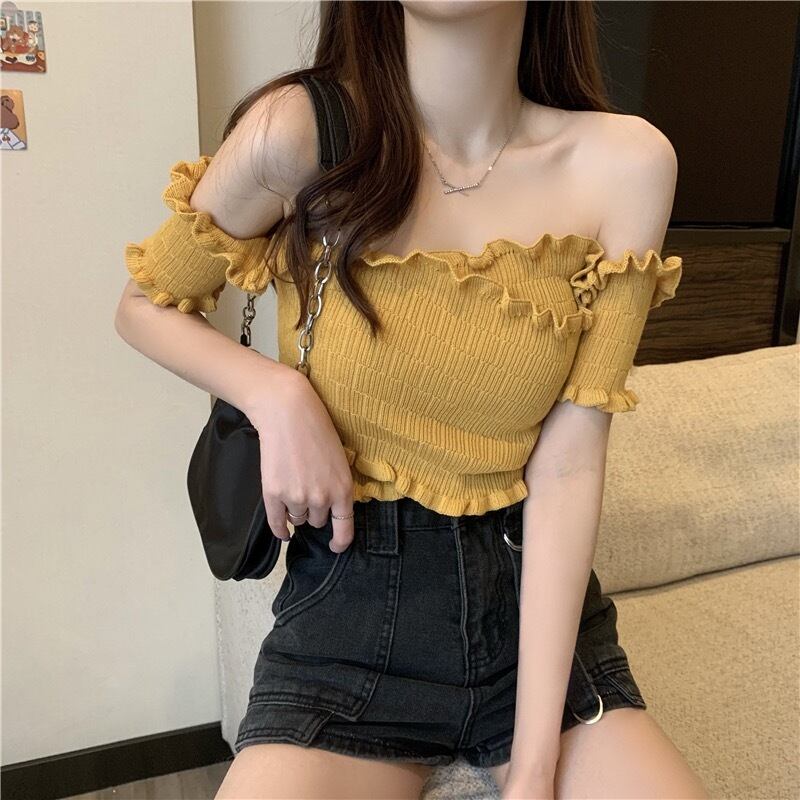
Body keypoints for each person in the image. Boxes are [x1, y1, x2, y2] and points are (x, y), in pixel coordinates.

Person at [115, 2, 709, 798]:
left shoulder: (626, 165)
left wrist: (534, 766)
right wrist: (275, 393)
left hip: (528, 619)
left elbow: (570, 460)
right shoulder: (299, 133)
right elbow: (143, 305)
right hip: (347, 619)